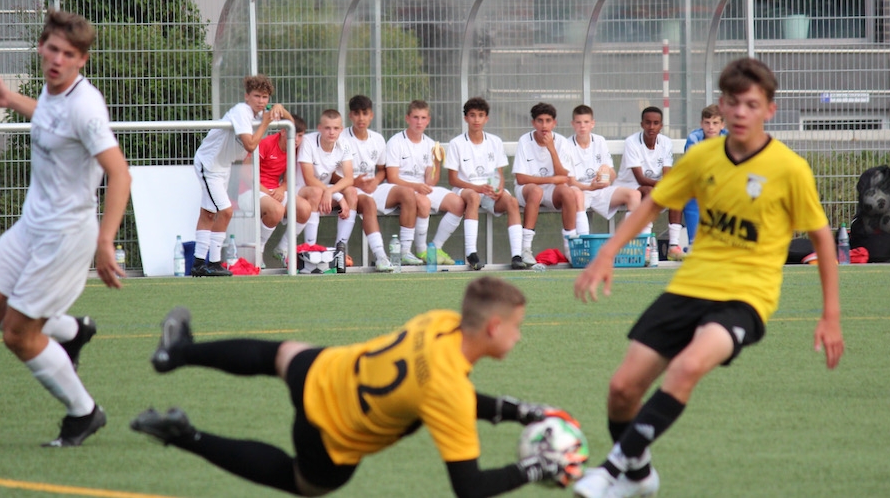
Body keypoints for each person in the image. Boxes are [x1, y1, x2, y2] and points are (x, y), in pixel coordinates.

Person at [571, 57, 845, 498]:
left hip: (745, 298)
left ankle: (609, 471)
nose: (740, 112)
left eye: (751, 104)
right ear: (722, 104)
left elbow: (822, 240)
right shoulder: (702, 157)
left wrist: (830, 315)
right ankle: (640, 477)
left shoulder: (789, 168)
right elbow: (653, 204)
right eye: (733, 103)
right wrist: (606, 252)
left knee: (686, 367)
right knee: (622, 389)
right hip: (689, 286)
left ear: (769, 110)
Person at [131, 277, 584, 496]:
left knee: (280, 355)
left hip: (325, 372)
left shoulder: (440, 322)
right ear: (493, 328)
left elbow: (446, 392)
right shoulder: (447, 390)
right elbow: (469, 488)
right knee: (303, 483)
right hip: (331, 436)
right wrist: (536, 467)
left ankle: (177, 353)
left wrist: (522, 412)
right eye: (516, 327)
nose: (519, 336)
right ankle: (185, 436)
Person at [0, 9, 131, 446]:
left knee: (18, 335)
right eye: (53, 49)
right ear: (41, 47)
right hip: (31, 225)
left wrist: (106, 241)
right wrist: (10, 99)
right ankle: (73, 331)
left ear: (82, 60)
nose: (58, 59)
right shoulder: (54, 91)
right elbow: (50, 116)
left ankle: (84, 412)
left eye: (69, 54)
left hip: (65, 237)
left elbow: (120, 173)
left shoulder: (87, 107)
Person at [192, 74, 285, 277]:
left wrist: (279, 107)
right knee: (225, 211)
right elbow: (250, 145)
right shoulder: (242, 111)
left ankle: (201, 264)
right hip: (209, 164)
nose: (261, 101)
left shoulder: (260, 114)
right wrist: (265, 123)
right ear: (247, 96)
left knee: (208, 212)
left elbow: (292, 122)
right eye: (257, 96)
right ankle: (210, 262)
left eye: (265, 97)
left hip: (223, 166)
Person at [340, 95, 426, 271]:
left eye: (365, 113)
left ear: (371, 115)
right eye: (357, 113)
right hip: (349, 189)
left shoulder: (377, 139)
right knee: (369, 203)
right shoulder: (341, 138)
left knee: (407, 193)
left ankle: (405, 251)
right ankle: (380, 256)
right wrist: (353, 182)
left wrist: (376, 181)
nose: (361, 118)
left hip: (373, 188)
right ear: (350, 116)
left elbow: (382, 169)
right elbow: (332, 173)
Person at [444, 98, 530, 270]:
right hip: (466, 189)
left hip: (489, 190)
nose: (476, 119)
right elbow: (453, 179)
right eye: (472, 115)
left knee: (512, 202)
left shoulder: (495, 141)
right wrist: (478, 188)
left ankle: (517, 256)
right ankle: (471, 253)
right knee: (474, 197)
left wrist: (498, 188)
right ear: (466, 118)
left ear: (486, 118)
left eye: (480, 115)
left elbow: (499, 173)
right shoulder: (456, 143)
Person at [384, 100, 467, 266]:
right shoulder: (396, 141)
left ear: (428, 120)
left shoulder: (430, 144)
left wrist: (436, 162)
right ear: (407, 118)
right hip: (400, 189)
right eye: (415, 117)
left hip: (421, 188)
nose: (419, 122)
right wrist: (416, 187)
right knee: (424, 202)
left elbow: (431, 181)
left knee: (458, 204)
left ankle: (435, 247)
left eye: (423, 118)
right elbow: (392, 177)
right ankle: (421, 250)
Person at [512, 102, 583, 264]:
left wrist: (551, 149)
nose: (544, 125)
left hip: (552, 191)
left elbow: (563, 176)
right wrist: (551, 179)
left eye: (548, 121)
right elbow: (521, 178)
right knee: (536, 191)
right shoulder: (524, 140)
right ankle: (526, 249)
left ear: (554, 123)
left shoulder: (561, 142)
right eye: (540, 120)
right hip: (527, 190)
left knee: (568, 193)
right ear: (533, 123)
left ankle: (570, 250)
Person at [239, 113, 312, 267]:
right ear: (283, 131)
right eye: (294, 134)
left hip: (272, 193)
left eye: (300, 135)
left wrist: (281, 189)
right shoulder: (266, 143)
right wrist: (267, 191)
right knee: (277, 209)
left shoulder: (294, 149)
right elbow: (245, 173)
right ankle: (258, 250)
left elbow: (287, 180)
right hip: (249, 192)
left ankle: (283, 248)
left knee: (305, 209)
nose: (296, 139)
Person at [612, 106, 685, 261]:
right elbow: (640, 179)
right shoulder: (632, 142)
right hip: (628, 185)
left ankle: (673, 247)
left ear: (661, 126)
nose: (651, 127)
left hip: (653, 186)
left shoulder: (666, 142)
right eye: (648, 122)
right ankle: (645, 246)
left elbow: (667, 174)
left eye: (656, 123)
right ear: (642, 124)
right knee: (649, 192)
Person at [567, 105, 641, 232]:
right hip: (580, 190)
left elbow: (612, 175)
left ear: (593, 123)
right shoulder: (566, 145)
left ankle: (627, 238)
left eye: (586, 122)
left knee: (634, 195)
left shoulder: (599, 141)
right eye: (578, 122)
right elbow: (570, 182)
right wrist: (591, 187)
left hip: (600, 190)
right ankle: (583, 240)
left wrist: (606, 172)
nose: (582, 126)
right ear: (573, 124)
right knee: (576, 195)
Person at [297, 109, 357, 255]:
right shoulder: (308, 141)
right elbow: (309, 179)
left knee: (352, 192)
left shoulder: (344, 143)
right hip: (301, 189)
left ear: (341, 129)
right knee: (316, 192)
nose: (331, 132)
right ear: (319, 128)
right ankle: (310, 250)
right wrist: (337, 196)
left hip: (324, 190)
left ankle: (340, 250)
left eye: (336, 128)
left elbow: (349, 178)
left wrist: (330, 192)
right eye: (327, 128)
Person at [681, 104, 727, 251]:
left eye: (715, 123)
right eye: (707, 123)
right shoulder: (694, 138)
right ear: (701, 124)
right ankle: (694, 243)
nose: (711, 127)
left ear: (722, 125)